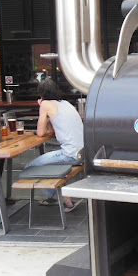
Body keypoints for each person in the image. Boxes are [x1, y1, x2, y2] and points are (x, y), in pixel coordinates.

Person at [24, 79, 84, 212]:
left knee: (30, 167)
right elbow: (51, 131)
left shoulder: (45, 104)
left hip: (70, 154)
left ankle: (57, 197)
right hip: (82, 152)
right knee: (44, 166)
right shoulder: (66, 104)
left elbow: (40, 133)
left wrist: (42, 107)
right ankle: (58, 197)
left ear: (41, 94)